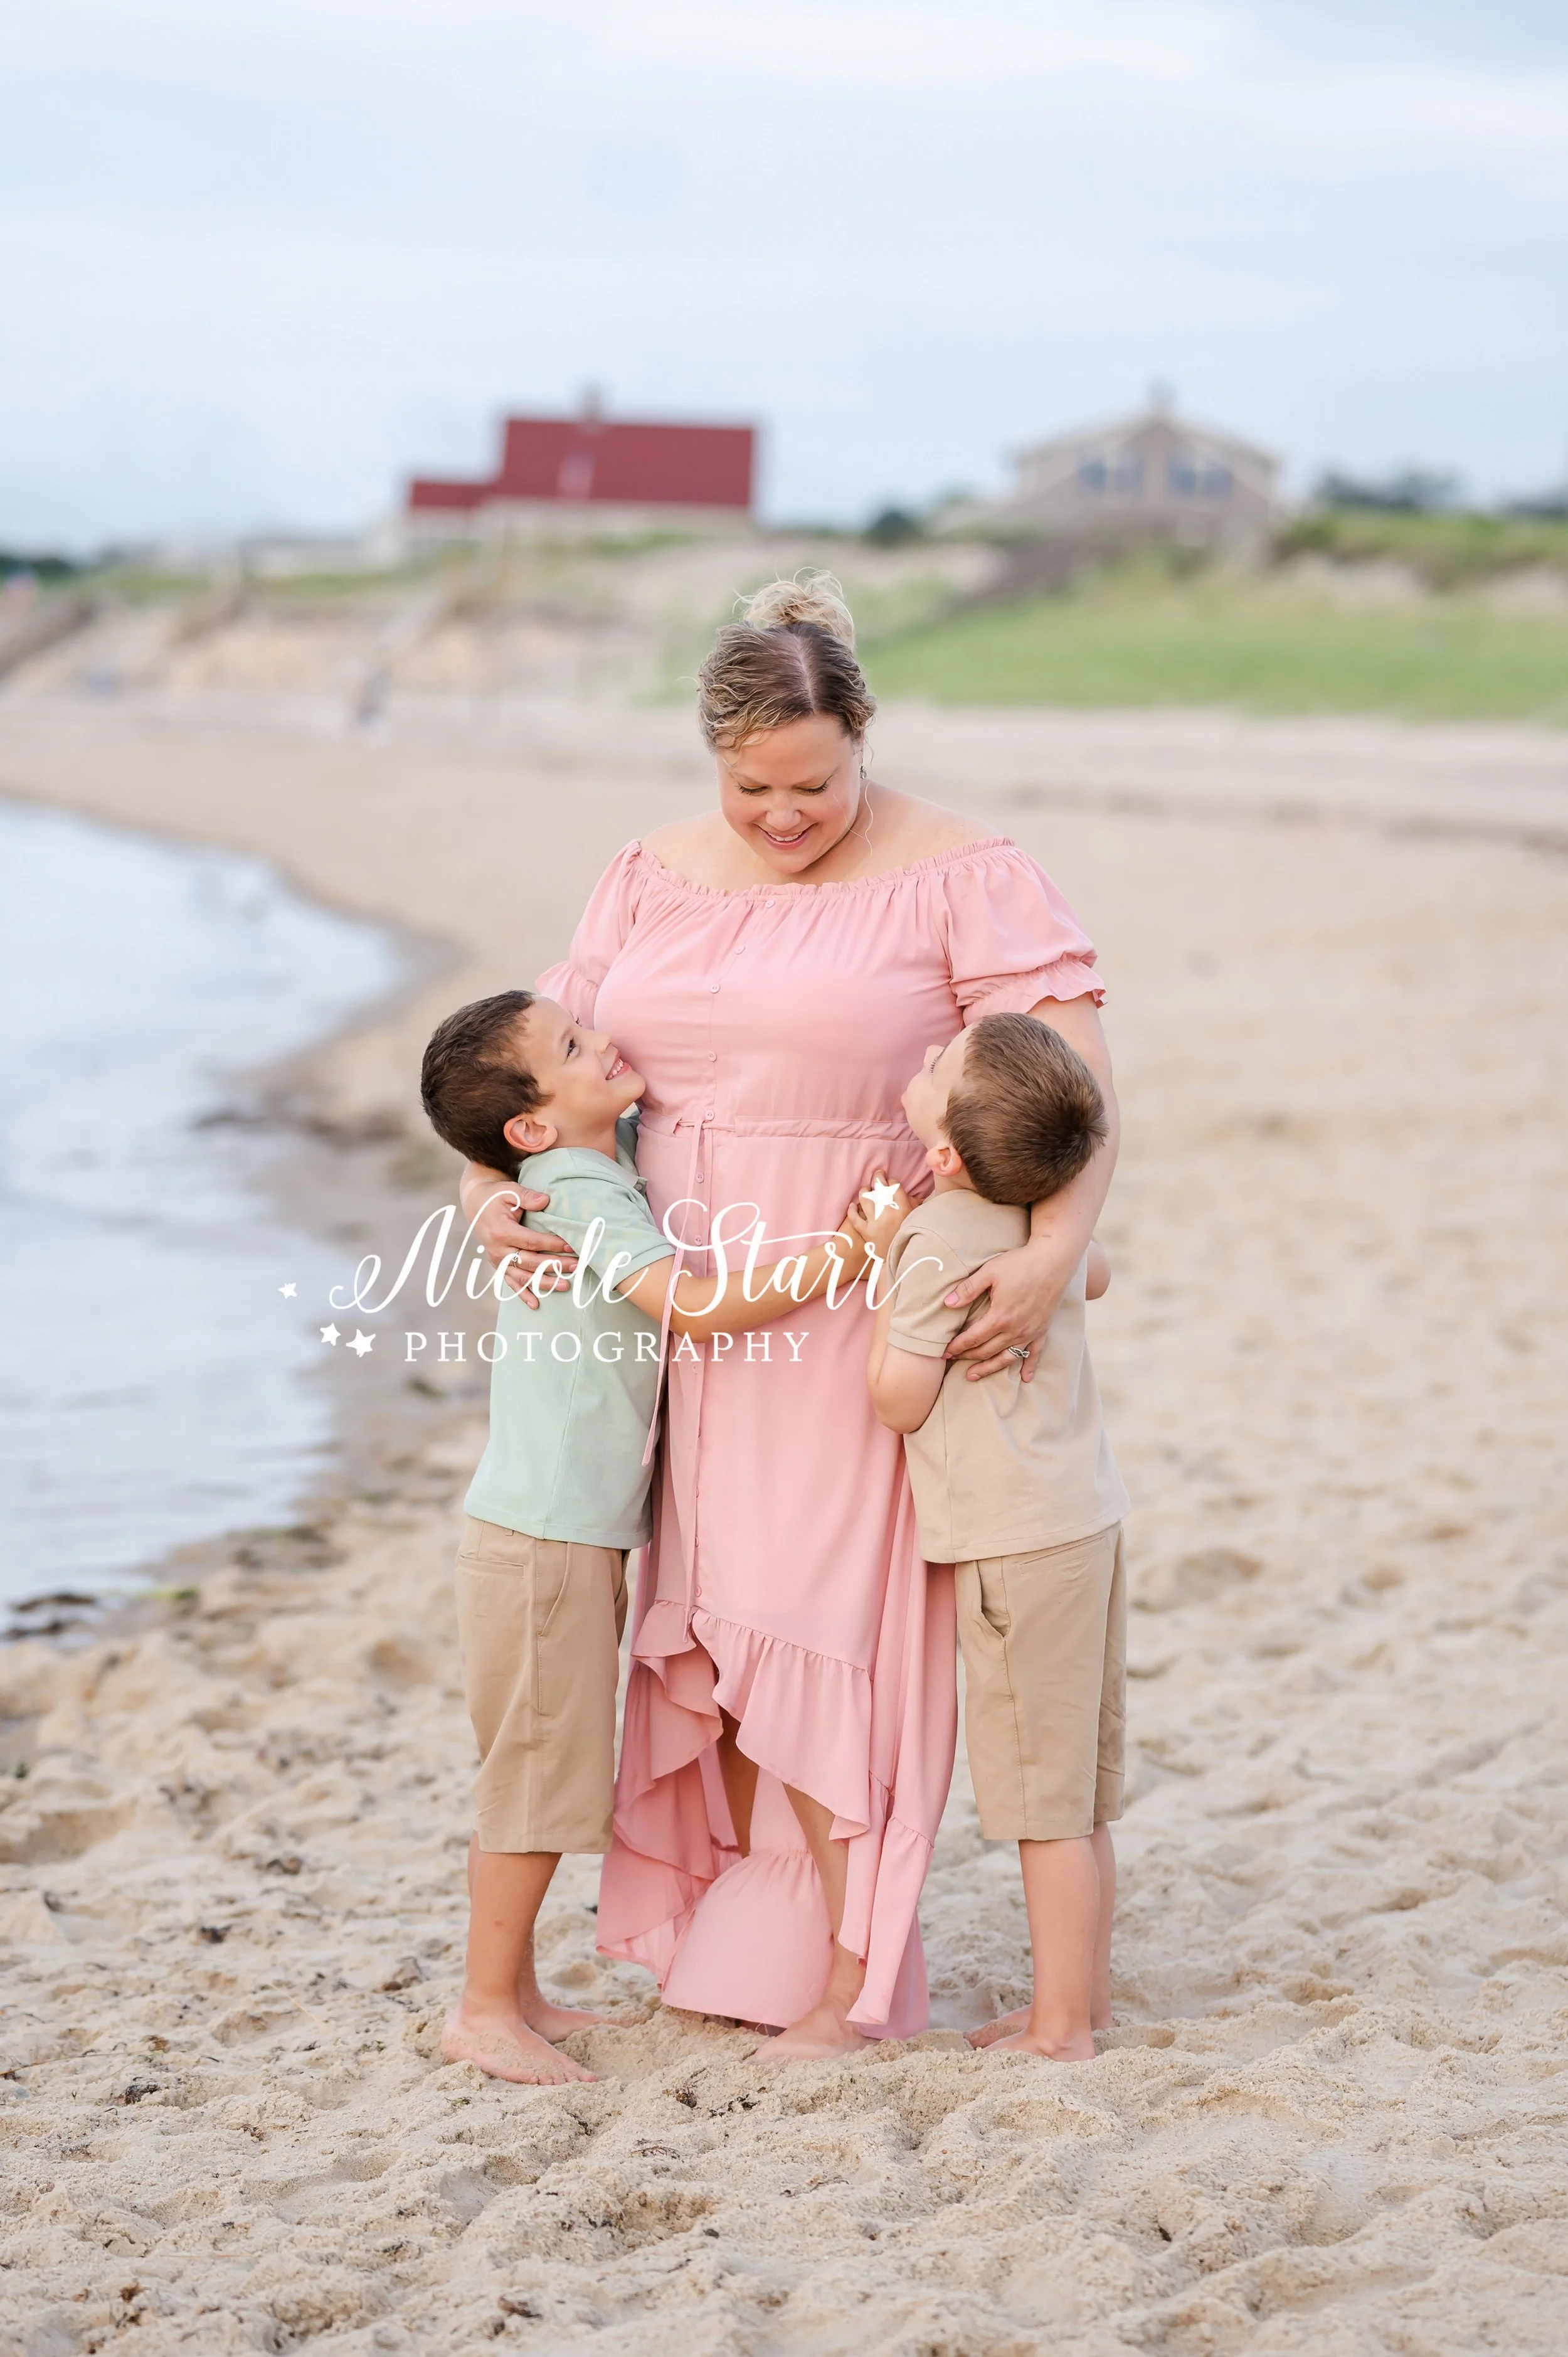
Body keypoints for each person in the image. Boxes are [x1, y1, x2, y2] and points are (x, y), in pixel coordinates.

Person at [459, 572, 1119, 2057]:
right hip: (680, 1321)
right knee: (718, 1637)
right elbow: (526, 1080)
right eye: (749, 784)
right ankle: (745, 1944)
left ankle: (847, 1972)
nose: (779, 815)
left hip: (846, 1308)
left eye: (812, 784)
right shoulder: (646, 872)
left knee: (820, 1634)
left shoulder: (966, 872)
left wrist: (1049, 1254)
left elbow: (1078, 1105)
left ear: (862, 738)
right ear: (712, 756)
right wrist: (484, 1201)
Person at [419, 985, 906, 2083]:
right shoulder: (583, 1186)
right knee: (535, 1773)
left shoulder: (580, 1159)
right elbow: (689, 1306)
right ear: (534, 1125)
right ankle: (484, 2006)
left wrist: (482, 1179)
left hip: (562, 1525)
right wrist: (849, 1253)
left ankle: (520, 1992)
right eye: (578, 1047)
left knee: (540, 1761)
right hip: (543, 1533)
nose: (609, 1046)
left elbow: (520, 1154)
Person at [867, 1013, 1130, 2060]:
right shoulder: (1037, 1223)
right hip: (1086, 1518)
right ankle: (1086, 2001)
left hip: (1015, 1546)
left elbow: (896, 1398)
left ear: (941, 1157)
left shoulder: (936, 1235)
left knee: (1041, 1805)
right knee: (1081, 1793)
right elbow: (1096, 1272)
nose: (922, 1059)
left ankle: (1060, 2028)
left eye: (937, 1066)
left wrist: (889, 1268)